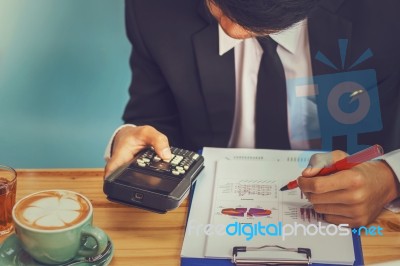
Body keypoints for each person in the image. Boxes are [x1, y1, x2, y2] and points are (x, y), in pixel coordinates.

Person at [104, 0, 400, 227]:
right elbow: (154, 117)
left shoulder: (385, 12)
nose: (231, 29)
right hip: (201, 215)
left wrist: (390, 178)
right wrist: (134, 139)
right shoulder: (154, 8)